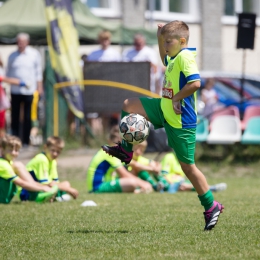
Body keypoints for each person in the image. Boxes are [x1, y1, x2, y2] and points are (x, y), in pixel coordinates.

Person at [102, 21, 224, 231]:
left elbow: (195, 83)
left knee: (188, 167)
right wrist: (160, 37)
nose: (165, 44)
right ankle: (126, 150)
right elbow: (164, 59)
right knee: (128, 105)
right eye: (164, 41)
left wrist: (176, 98)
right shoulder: (175, 56)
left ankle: (211, 205)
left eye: (169, 41)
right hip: (163, 109)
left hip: (180, 121)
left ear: (182, 41)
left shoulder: (185, 57)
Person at [87, 129, 153, 193]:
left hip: (105, 184)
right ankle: (144, 188)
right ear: (109, 141)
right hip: (97, 187)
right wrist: (143, 183)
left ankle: (141, 189)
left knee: (133, 174)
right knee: (131, 182)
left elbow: (133, 164)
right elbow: (124, 175)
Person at [6, 33, 43, 146]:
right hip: (15, 91)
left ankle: (26, 141)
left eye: (23, 42)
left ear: (27, 42)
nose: (20, 44)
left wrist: (39, 86)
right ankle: (14, 140)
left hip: (29, 91)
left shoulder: (34, 54)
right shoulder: (12, 56)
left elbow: (38, 72)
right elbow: (8, 74)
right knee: (15, 116)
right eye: (19, 42)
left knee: (28, 116)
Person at [0, 135, 58, 204]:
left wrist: (44, 186)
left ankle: (39, 195)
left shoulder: (9, 162)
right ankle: (36, 196)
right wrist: (43, 188)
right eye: (10, 150)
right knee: (18, 165)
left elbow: (29, 182)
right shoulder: (2, 164)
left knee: (18, 165)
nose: (13, 153)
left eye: (16, 150)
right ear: (2, 150)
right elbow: (22, 183)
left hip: (4, 199)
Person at [20, 136, 79, 202]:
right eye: (53, 150)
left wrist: (65, 187)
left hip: (43, 188)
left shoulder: (53, 161)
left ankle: (53, 197)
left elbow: (55, 182)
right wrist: (68, 189)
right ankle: (53, 197)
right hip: (28, 193)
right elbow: (47, 184)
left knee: (66, 183)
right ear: (45, 148)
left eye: (58, 152)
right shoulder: (42, 159)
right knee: (63, 187)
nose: (55, 154)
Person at [160, 152, 227, 193]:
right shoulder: (169, 157)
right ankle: (212, 188)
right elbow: (164, 175)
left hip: (181, 182)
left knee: (195, 183)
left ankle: (211, 188)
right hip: (170, 182)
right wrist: (172, 182)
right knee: (188, 185)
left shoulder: (184, 158)